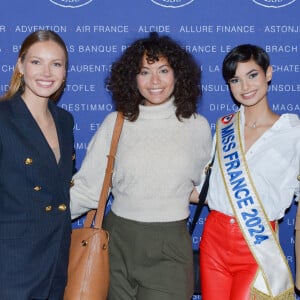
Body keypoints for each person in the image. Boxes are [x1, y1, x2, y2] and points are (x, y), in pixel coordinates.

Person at [70, 31, 212, 300]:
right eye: (145, 72)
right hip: (116, 244)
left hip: (169, 248)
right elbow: (87, 189)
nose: (155, 81)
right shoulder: (116, 123)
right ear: (132, 78)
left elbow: (205, 189)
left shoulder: (198, 127)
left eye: (163, 70)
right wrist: (41, 219)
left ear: (177, 75)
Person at [191, 44, 300, 300]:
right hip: (213, 241)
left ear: (268, 73)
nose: (245, 87)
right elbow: (205, 190)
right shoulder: (223, 128)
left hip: (257, 244)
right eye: (235, 80)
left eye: (252, 75)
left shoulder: (293, 132)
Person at [0, 30, 75, 299]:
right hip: (12, 265)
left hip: (55, 260)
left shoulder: (65, 121)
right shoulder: (3, 118)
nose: (46, 72)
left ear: (65, 71)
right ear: (20, 65)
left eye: (56, 64)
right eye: (36, 62)